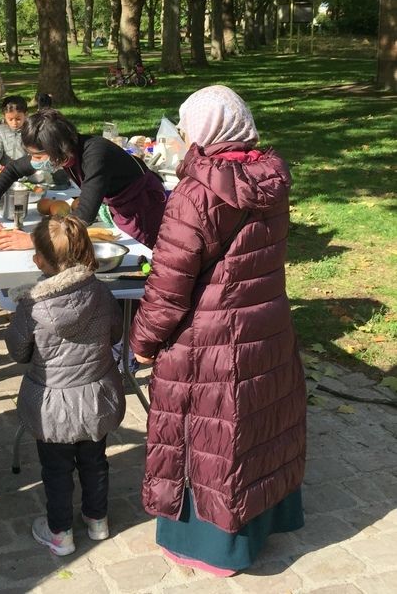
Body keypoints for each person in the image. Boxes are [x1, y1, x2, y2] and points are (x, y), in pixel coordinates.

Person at [129, 85, 306, 576]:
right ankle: (264, 524)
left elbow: (168, 285)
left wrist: (142, 341)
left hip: (207, 339)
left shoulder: (197, 191)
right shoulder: (271, 177)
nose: (182, 137)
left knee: (210, 435)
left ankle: (208, 546)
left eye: (186, 127)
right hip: (264, 327)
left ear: (205, 131)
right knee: (255, 428)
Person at [5, 215, 125, 556]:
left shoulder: (32, 306)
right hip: (97, 397)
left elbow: (17, 351)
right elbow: (115, 333)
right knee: (95, 460)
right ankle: (97, 518)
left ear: (39, 259)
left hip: (52, 406)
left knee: (56, 469)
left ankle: (60, 533)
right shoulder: (101, 292)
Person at [0, 108, 167, 250]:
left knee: (143, 261)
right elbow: (12, 169)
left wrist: (34, 240)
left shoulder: (96, 155)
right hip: (121, 209)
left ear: (58, 151)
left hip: (144, 210)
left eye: (38, 156)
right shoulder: (67, 151)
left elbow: (83, 216)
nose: (34, 161)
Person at [0, 95, 29, 165]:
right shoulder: (1, 130)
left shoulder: (30, 130)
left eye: (18, 119)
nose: (14, 123)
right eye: (10, 119)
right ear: (4, 116)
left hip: (25, 168)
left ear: (26, 115)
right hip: (5, 168)